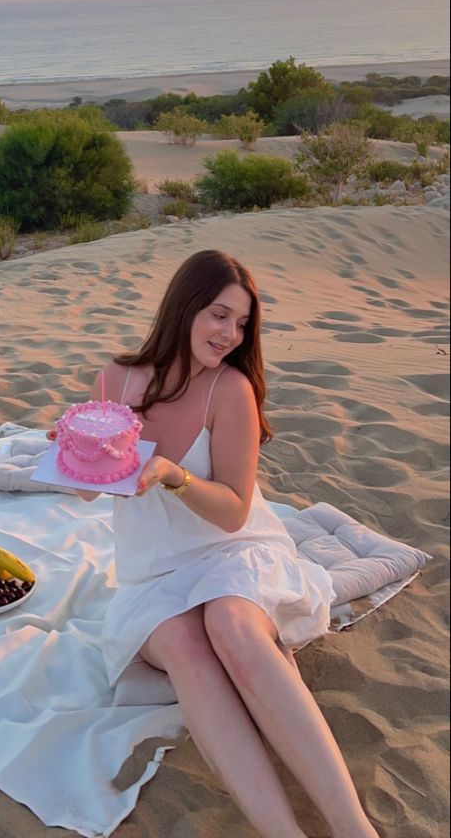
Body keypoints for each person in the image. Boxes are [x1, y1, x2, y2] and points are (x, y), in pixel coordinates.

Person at [52, 249, 380, 838]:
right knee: (185, 643)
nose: (231, 334)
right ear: (183, 309)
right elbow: (84, 494)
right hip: (152, 573)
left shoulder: (231, 390)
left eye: (242, 323)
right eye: (218, 315)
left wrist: (175, 477)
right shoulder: (115, 378)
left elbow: (232, 511)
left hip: (234, 553)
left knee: (230, 623)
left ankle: (353, 827)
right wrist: (75, 449)